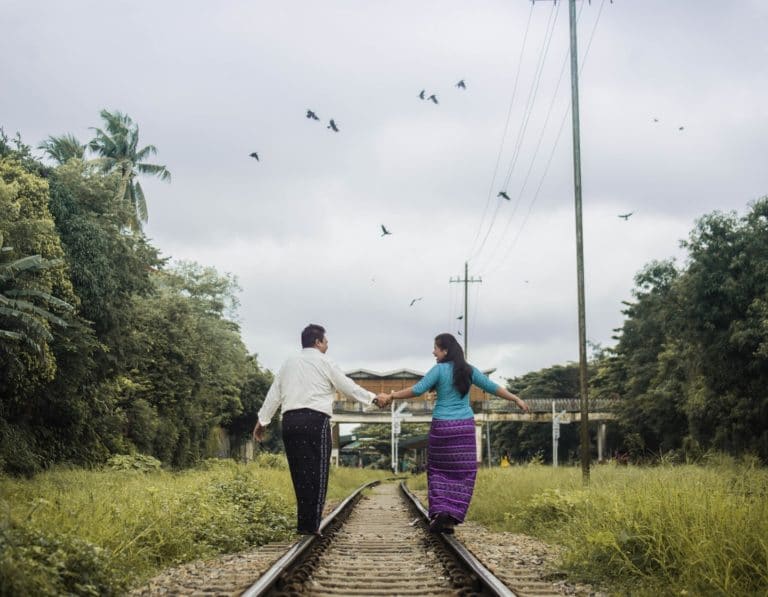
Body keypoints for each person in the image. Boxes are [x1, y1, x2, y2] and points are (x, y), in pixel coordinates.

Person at [377, 333, 529, 534]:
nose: (433, 352)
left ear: (445, 350)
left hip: (442, 428)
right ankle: (451, 517)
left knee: (439, 470)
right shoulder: (468, 370)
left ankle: (441, 511)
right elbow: (492, 387)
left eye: (436, 348)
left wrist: (391, 396)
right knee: (463, 472)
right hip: (464, 428)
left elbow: (418, 389)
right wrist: (515, 399)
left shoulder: (439, 370)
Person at [253, 324, 385, 536]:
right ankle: (310, 526)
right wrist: (373, 398)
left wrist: (263, 421)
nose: (327, 345)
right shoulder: (325, 362)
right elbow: (347, 386)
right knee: (317, 472)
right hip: (315, 420)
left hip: (290, 421)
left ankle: (303, 524)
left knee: (299, 472)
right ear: (317, 342)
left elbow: (274, 393)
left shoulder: (288, 363)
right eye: (325, 341)